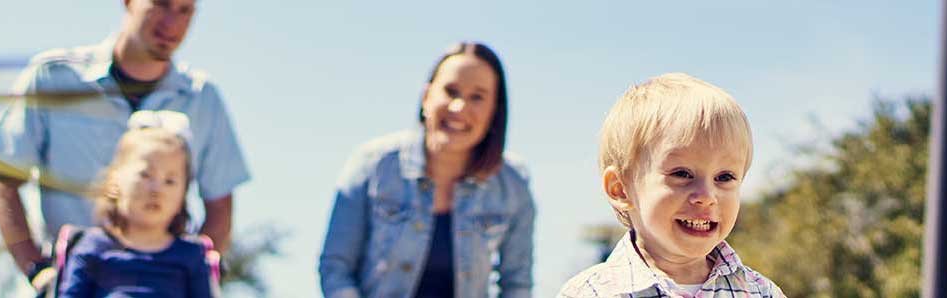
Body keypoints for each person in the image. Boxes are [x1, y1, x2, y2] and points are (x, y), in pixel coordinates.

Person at [0, 0, 249, 288]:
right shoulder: (53, 77)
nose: (172, 23)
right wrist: (38, 271)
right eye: (161, 4)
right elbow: (1, 184)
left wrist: (189, 276)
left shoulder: (203, 97)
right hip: (68, 284)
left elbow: (220, 209)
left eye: (185, 10)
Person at [318, 42, 534, 298]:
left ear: (494, 111)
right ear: (426, 96)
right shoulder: (373, 165)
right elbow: (336, 267)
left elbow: (516, 285)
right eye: (450, 91)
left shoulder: (513, 185)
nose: (458, 107)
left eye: (477, 97)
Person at [555, 73, 785, 298]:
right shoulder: (590, 293)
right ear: (620, 189)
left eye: (724, 177)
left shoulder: (761, 292)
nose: (706, 196)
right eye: (682, 174)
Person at [53, 111, 221, 298]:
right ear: (116, 181)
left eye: (170, 181)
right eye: (145, 175)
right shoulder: (94, 246)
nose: (157, 189)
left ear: (183, 194)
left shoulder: (190, 255)